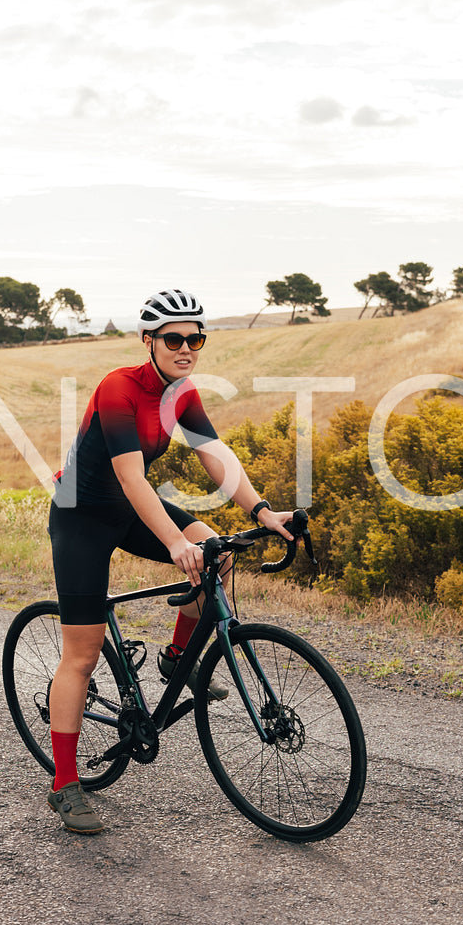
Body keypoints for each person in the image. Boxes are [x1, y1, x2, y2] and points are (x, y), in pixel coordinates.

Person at [44, 288, 293, 834]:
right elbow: (132, 477)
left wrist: (261, 509)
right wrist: (177, 544)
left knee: (218, 553)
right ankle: (65, 784)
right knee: (82, 657)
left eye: (196, 339)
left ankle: (177, 658)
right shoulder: (119, 389)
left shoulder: (181, 391)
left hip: (129, 509)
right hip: (81, 517)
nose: (186, 348)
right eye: (175, 339)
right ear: (149, 340)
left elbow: (214, 453)